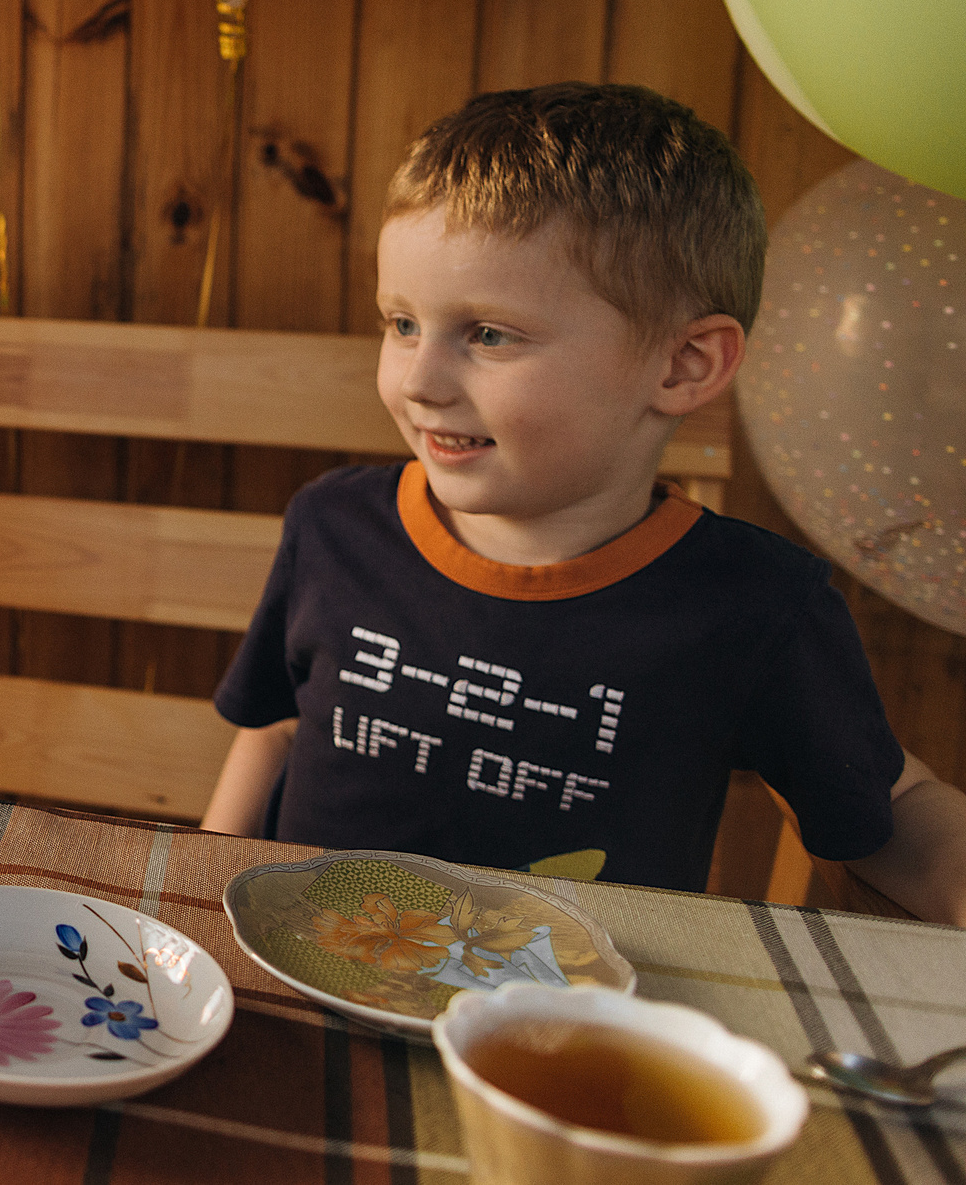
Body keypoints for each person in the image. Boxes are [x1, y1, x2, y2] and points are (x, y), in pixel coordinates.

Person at [202, 84, 966, 924]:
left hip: (561, 1036)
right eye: (402, 322)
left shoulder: (756, 606)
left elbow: (890, 818)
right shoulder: (334, 526)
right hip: (304, 982)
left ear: (682, 366)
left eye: (488, 334)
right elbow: (273, 731)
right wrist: (197, 912)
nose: (418, 382)